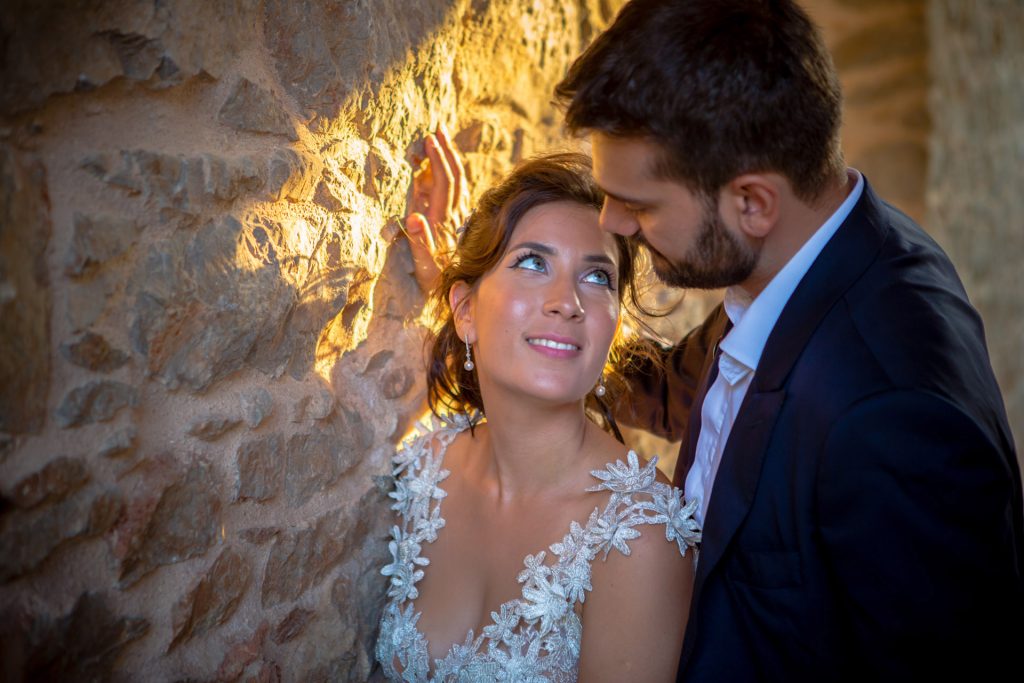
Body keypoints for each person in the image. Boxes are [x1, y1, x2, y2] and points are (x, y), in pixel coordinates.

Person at [548, 0, 1024, 680]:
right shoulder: (795, 264)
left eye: (640, 203)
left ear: (752, 202)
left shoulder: (891, 416)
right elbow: (670, 390)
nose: (612, 222)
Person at [376, 149, 700, 681]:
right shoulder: (425, 466)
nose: (567, 300)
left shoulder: (640, 539)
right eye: (532, 262)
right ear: (464, 311)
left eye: (597, 278)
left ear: (612, 327)